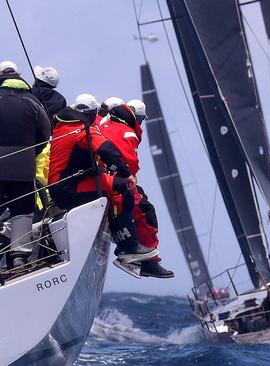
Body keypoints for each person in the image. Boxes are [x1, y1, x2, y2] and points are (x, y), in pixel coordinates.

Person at [48, 94, 156, 267]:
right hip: (68, 189)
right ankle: (127, 247)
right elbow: (105, 148)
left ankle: (118, 233)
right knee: (122, 188)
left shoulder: (63, 127)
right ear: (91, 114)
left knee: (110, 183)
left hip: (61, 186)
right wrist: (126, 173)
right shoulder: (83, 130)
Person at [99, 100, 173, 278]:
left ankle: (137, 250)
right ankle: (148, 258)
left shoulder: (103, 123)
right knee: (145, 210)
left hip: (101, 177)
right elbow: (130, 164)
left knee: (137, 199)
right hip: (112, 180)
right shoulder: (127, 132)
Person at [0, 61, 51, 268]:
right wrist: (29, 153)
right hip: (23, 168)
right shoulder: (32, 101)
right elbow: (45, 134)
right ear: (18, 76)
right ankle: (19, 257)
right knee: (22, 209)